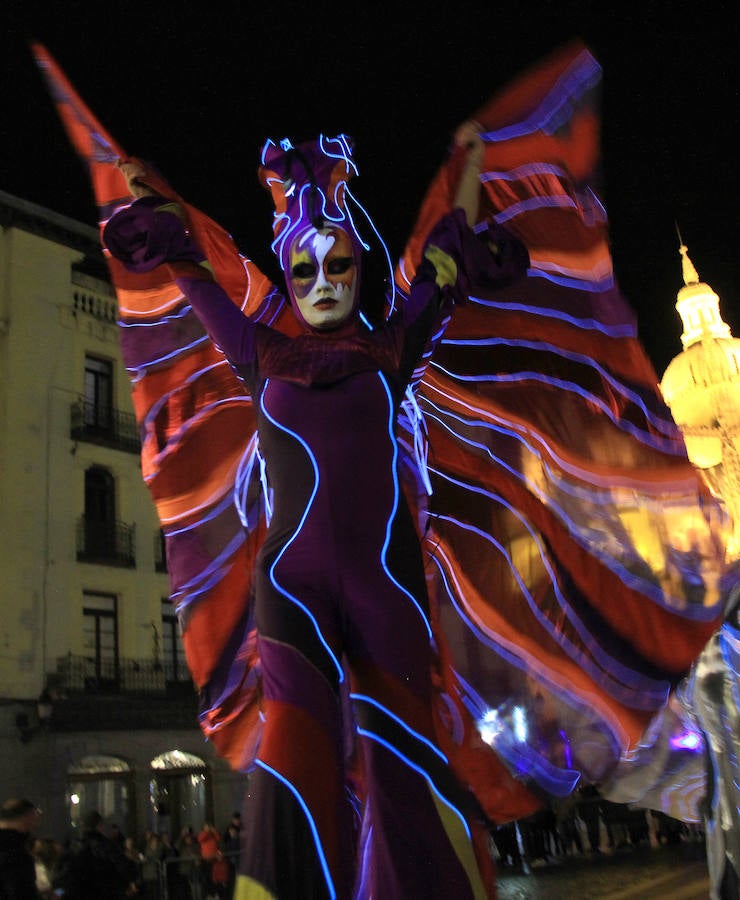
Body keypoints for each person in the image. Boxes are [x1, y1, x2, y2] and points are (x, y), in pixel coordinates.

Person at [104, 122, 524, 900]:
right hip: (290, 586)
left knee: (404, 760)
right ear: (289, 277)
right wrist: (141, 184)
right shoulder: (258, 351)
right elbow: (192, 270)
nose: (324, 282)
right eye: (305, 269)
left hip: (385, 585)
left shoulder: (394, 349)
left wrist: (469, 160)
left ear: (358, 271)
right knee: (293, 760)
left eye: (339, 266)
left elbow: (446, 256)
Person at [0, 797, 41, 900]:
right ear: (28, 817)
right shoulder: (16, 851)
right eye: (35, 818)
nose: (36, 824)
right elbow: (20, 891)